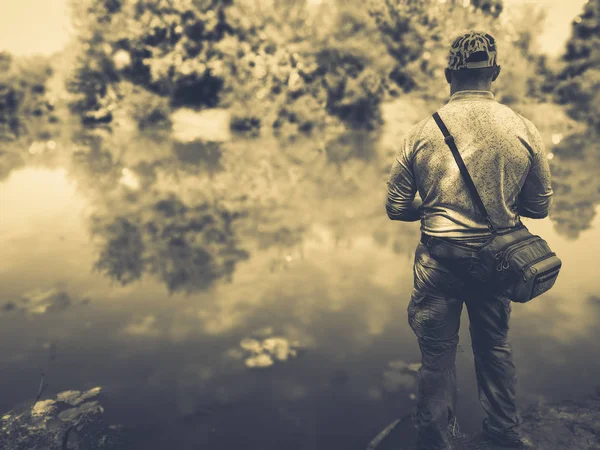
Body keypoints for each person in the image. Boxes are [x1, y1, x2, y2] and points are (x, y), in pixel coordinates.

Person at [385, 31, 553, 450]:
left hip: (438, 264)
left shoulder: (421, 132)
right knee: (494, 349)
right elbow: (539, 208)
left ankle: (434, 440)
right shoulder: (523, 129)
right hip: (495, 263)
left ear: (448, 75)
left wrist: (430, 209)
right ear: (495, 72)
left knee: (436, 359)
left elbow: (395, 205)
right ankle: (503, 434)